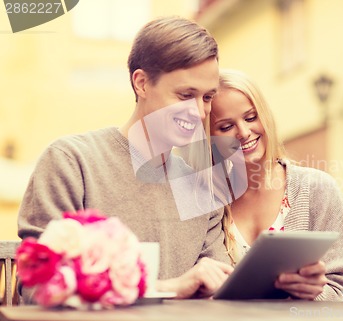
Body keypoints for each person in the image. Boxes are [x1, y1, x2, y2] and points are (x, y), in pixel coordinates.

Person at [17, 16, 233, 301]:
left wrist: (284, 283)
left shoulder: (203, 187)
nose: (198, 111)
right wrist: (167, 288)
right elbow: (39, 286)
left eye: (207, 98)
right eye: (185, 95)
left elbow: (220, 291)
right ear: (141, 83)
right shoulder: (71, 162)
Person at [209, 69, 343, 301]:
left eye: (251, 117)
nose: (243, 132)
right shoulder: (209, 202)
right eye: (225, 127)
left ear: (265, 116)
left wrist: (314, 293)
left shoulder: (317, 189)